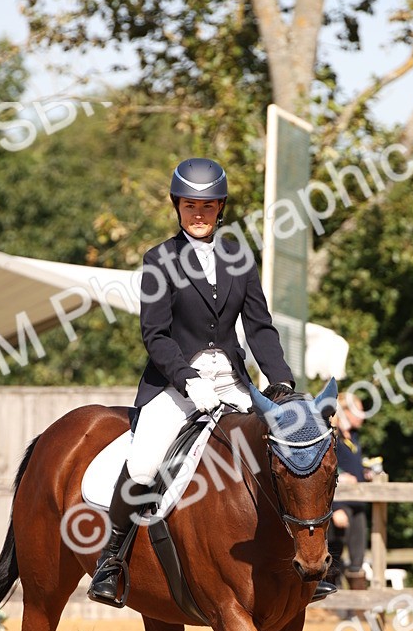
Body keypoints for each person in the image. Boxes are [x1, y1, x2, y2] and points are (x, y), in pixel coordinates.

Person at [88, 156, 335, 605]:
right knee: (143, 465)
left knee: (287, 451)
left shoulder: (240, 257)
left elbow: (259, 327)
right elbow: (155, 334)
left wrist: (280, 383)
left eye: (206, 206)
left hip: (234, 381)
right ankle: (111, 560)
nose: (198, 215)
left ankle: (310, 557)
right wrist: (188, 380)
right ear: (177, 207)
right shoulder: (159, 259)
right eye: (188, 206)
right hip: (175, 381)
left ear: (220, 207)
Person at [327, 391, 369, 586]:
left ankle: (358, 608)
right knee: (333, 552)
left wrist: (366, 472)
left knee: (358, 558)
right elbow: (330, 469)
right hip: (339, 503)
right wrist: (336, 508)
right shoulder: (332, 436)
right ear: (344, 412)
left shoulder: (354, 437)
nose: (363, 416)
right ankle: (331, 605)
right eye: (358, 411)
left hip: (358, 502)